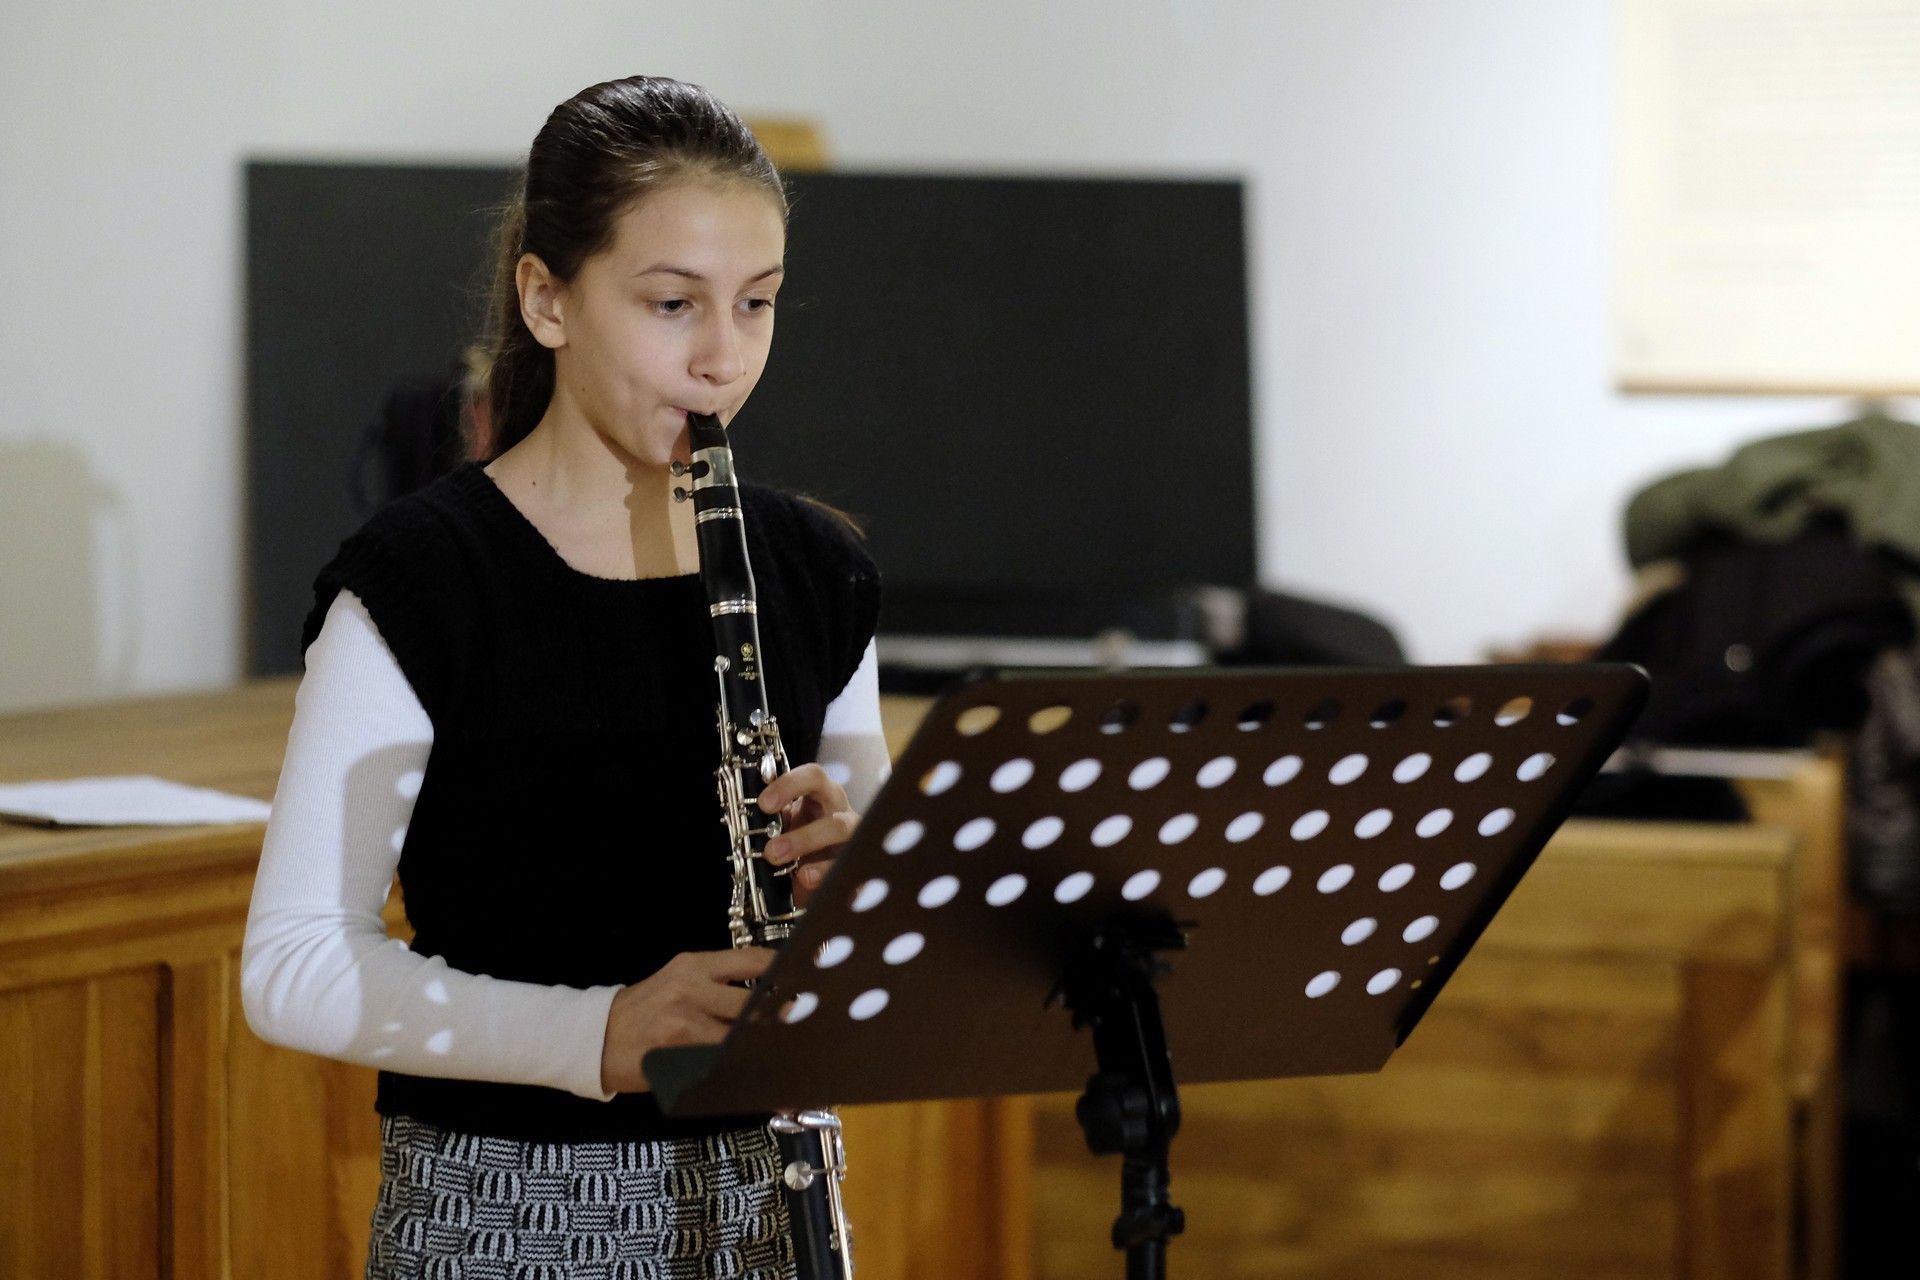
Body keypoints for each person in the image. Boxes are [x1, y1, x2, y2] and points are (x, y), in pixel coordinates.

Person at [241, 75, 887, 1280]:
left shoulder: (813, 571)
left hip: (764, 1208)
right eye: (672, 304)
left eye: (755, 303)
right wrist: (597, 1030)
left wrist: (863, 901)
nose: (722, 358)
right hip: (501, 1217)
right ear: (547, 297)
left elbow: (879, 963)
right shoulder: (424, 580)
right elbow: (294, 965)